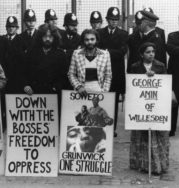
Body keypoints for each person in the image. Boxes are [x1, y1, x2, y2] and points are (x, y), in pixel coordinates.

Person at [129, 42, 169, 175]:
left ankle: (158, 164)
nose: (151, 54)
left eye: (153, 51)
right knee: (141, 135)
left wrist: (155, 77)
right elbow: (131, 85)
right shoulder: (135, 67)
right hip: (140, 106)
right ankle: (141, 163)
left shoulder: (160, 66)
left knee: (156, 135)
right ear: (141, 54)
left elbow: (164, 85)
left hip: (156, 106)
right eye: (148, 52)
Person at [97, 7, 128, 137]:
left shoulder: (123, 34)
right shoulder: (100, 32)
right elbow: (97, 49)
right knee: (101, 99)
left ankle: (112, 128)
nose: (114, 22)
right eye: (112, 19)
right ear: (107, 19)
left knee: (114, 100)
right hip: (101, 71)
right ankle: (99, 126)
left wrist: (106, 51)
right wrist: (110, 52)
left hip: (116, 72)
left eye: (116, 19)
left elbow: (122, 52)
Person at [24, 23, 67, 95]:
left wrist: (57, 87)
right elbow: (24, 72)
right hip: (33, 93)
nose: (47, 39)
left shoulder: (61, 54)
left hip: (53, 94)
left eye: (50, 36)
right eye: (45, 36)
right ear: (40, 37)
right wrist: (26, 86)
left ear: (55, 37)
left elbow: (64, 76)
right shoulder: (31, 52)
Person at [68, 29, 112, 94]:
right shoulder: (76, 54)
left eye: (92, 39)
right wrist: (78, 87)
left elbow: (108, 76)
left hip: (99, 92)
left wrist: (104, 92)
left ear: (96, 40)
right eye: (87, 40)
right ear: (83, 41)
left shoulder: (105, 54)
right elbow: (71, 74)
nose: (90, 42)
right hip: (81, 92)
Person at [127, 8, 166, 72]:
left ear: (146, 23)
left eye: (140, 23)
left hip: (152, 75)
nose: (138, 26)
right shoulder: (136, 36)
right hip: (135, 75)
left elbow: (159, 61)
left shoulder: (157, 39)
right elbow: (132, 57)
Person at [60, 13, 81, 89]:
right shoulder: (60, 38)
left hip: (75, 75)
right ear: (65, 26)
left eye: (75, 25)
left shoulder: (80, 38)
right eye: (72, 25)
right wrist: (72, 51)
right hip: (61, 74)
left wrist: (66, 51)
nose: (75, 27)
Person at [4, 16, 25, 93]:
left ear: (17, 28)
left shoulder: (22, 40)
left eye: (13, 26)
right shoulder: (2, 40)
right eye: (9, 26)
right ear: (6, 28)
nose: (11, 28)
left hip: (17, 76)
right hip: (4, 75)